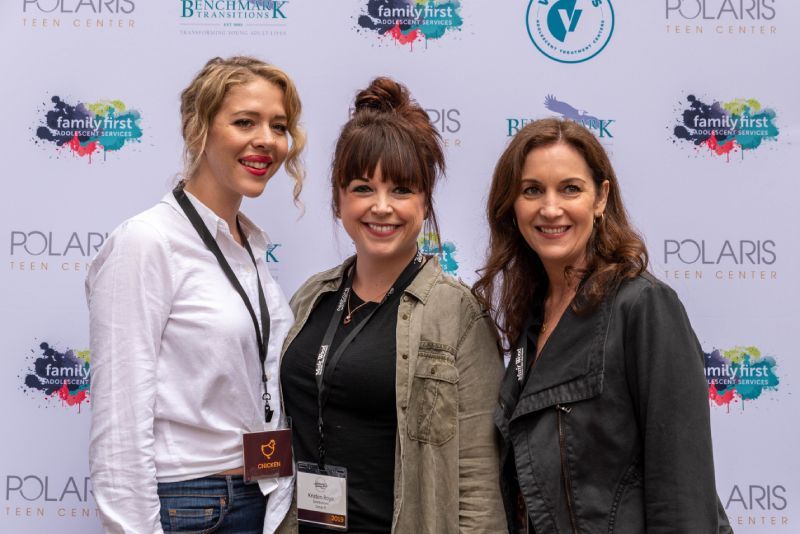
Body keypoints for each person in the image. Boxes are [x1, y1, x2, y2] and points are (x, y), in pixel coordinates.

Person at [474, 118, 733, 533]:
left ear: (601, 198)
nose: (550, 208)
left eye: (570, 189)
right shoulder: (533, 316)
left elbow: (682, 496)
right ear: (513, 205)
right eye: (532, 190)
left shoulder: (644, 306)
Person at [86, 56, 306, 533]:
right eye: (244, 122)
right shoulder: (147, 241)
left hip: (259, 495)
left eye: (278, 126)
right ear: (197, 129)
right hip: (190, 505)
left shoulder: (248, 245)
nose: (266, 140)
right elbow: (120, 415)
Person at [278, 78, 505, 533]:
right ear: (338, 199)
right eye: (363, 188)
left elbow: (479, 486)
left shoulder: (457, 314)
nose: (381, 207)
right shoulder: (311, 298)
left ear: (424, 202)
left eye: (401, 190)